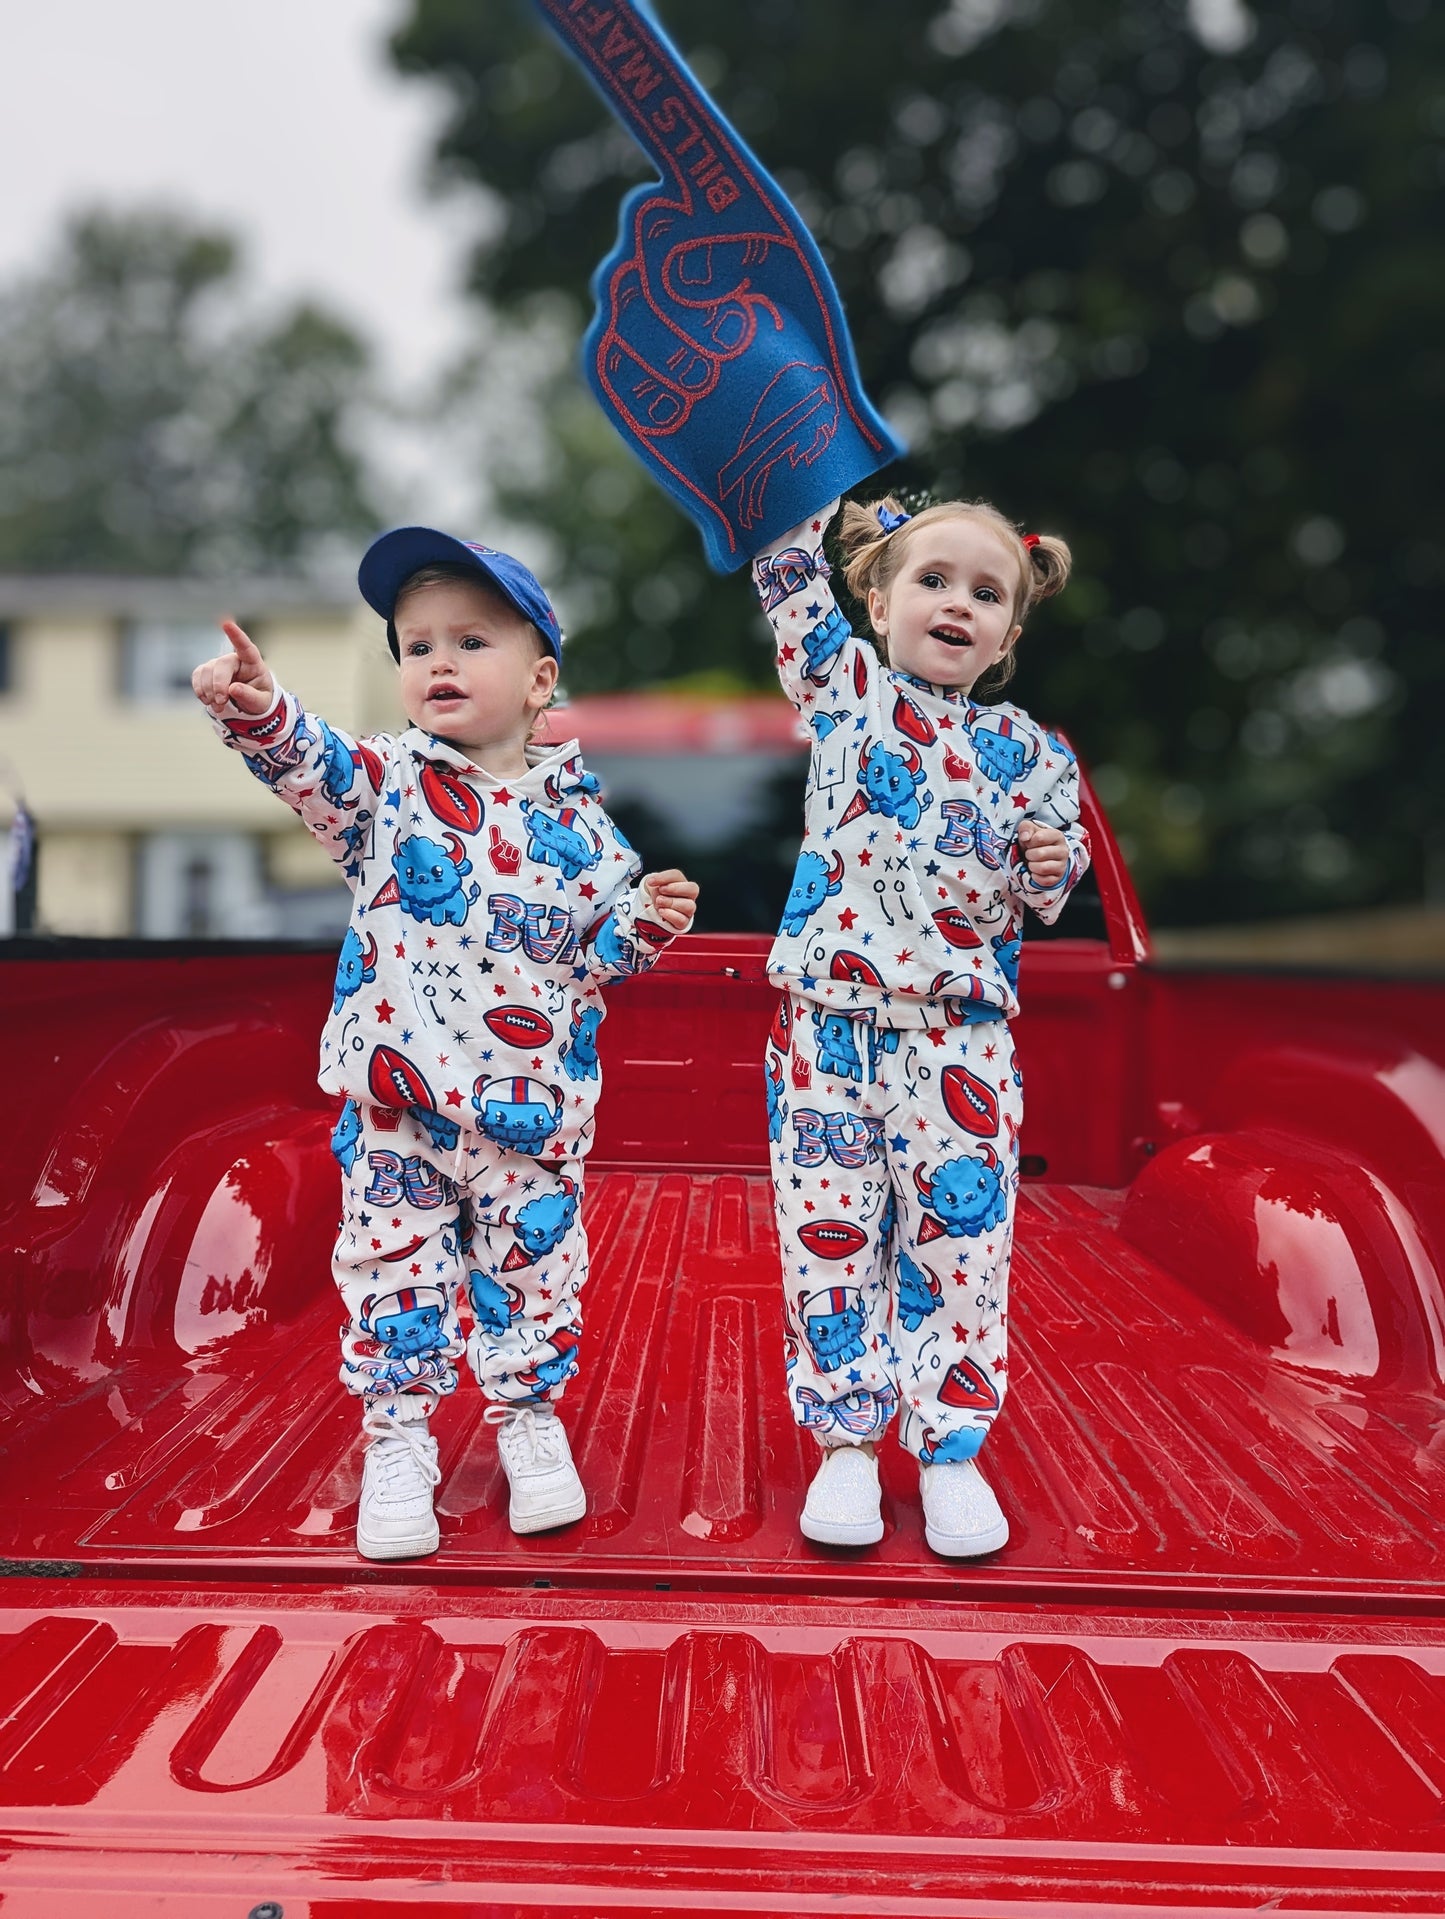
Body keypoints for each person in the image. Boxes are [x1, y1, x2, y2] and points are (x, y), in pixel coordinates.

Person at [192, 527, 698, 1560]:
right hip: (397, 1110)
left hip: (530, 1115)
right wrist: (256, 706)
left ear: (538, 676)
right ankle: (398, 1440)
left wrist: (645, 921)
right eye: (415, 646)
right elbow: (308, 762)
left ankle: (528, 1423)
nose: (437, 662)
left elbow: (595, 957)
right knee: (391, 1276)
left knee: (534, 1272)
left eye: (469, 640)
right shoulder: (385, 791)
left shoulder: (590, 834)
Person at [755, 493, 1089, 1558]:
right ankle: (846, 1445)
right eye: (931, 580)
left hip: (959, 1039)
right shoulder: (842, 689)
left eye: (984, 593)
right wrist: (804, 492)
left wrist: (1052, 862)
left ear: (1009, 635)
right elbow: (785, 584)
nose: (956, 603)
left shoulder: (1034, 752)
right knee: (829, 1234)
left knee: (960, 1247)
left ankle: (947, 1448)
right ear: (878, 596)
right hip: (830, 1030)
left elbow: (1054, 870)